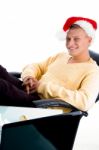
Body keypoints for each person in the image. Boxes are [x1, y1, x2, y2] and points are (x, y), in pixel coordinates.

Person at [21, 16, 99, 112]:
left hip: (41, 106)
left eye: (76, 39)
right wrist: (29, 77)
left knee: (3, 86)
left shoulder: (93, 71)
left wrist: (41, 87)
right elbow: (37, 66)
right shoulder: (62, 56)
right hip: (30, 91)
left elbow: (84, 101)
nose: (70, 44)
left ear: (89, 41)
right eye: (68, 39)